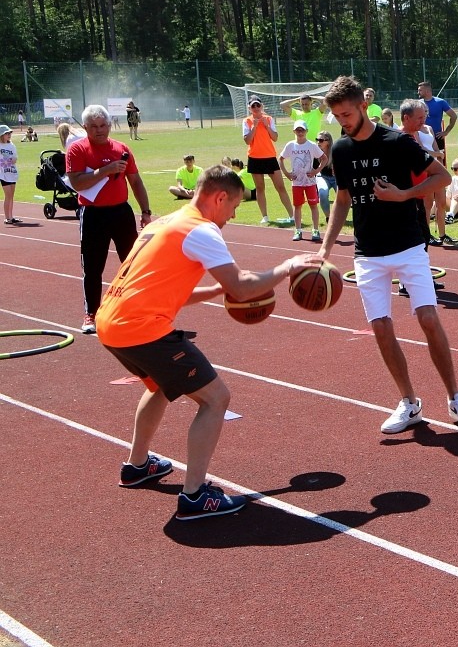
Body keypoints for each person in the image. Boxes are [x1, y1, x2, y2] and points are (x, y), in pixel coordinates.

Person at [97, 164, 320, 520]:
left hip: (112, 321)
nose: (231, 217)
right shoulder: (202, 230)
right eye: (232, 208)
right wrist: (287, 267)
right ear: (219, 197)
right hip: (142, 328)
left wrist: (217, 288)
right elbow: (245, 285)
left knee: (158, 387)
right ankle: (195, 496)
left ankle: (137, 465)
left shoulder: (163, 224)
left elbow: (165, 291)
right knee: (216, 399)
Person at [318, 75, 458, 434]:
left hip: (408, 246)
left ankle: (456, 398)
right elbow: (342, 199)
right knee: (380, 327)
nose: (343, 121)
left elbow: (440, 177)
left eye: (347, 113)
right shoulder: (342, 150)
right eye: (338, 116)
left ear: (363, 106)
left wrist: (404, 194)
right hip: (368, 253)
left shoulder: (396, 142)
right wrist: (324, 249)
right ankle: (409, 403)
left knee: (427, 317)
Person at [65, 105, 153, 334]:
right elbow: (77, 184)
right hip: (93, 214)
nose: (99, 130)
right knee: (93, 267)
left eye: (103, 125)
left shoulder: (122, 148)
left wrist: (145, 211)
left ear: (110, 125)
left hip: (121, 212)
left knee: (133, 264)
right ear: (85, 127)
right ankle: (91, 313)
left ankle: (137, 309)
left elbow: (135, 181)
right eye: (93, 126)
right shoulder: (77, 150)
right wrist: (105, 170)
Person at [398, 98, 454, 246]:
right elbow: (421, 150)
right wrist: (436, 156)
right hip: (415, 186)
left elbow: (435, 148)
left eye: (425, 115)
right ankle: (427, 234)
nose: (424, 119)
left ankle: (441, 234)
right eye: (420, 116)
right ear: (407, 117)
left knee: (440, 203)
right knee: (426, 207)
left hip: (431, 169)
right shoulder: (403, 137)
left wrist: (438, 158)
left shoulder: (428, 128)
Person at [242, 96, 295, 225]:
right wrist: (254, 127)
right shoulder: (247, 121)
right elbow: (247, 140)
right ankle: (265, 216)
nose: (256, 108)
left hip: (270, 157)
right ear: (249, 108)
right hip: (255, 158)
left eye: (257, 105)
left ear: (262, 106)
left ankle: (292, 215)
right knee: (260, 188)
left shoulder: (269, 119)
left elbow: (275, 138)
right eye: (253, 106)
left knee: (280, 187)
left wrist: (266, 126)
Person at [279, 120, 326, 242]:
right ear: (294, 131)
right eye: (298, 130)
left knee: (313, 205)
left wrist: (316, 171)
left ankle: (315, 230)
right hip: (297, 183)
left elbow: (324, 159)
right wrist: (286, 173)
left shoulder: (311, 145)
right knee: (297, 206)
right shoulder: (290, 145)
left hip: (310, 182)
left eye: (302, 130)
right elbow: (281, 159)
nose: (300, 132)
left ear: (306, 131)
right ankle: (298, 230)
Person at [417, 80, 455, 153]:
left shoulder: (440, 102)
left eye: (420, 90)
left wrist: (446, 131)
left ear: (427, 91)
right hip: (422, 136)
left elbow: (453, 116)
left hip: (437, 137)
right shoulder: (418, 104)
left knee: (440, 158)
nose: (418, 92)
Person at [314, 130, 337, 224]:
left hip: (336, 178)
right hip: (322, 176)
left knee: (343, 195)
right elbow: (314, 168)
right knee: (322, 193)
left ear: (328, 141)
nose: (318, 142)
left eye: (321, 140)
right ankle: (329, 217)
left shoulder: (335, 150)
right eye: (317, 140)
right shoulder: (315, 151)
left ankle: (338, 216)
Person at [0, 125, 18, 224]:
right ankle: (7, 217)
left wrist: (11, 160)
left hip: (12, 172)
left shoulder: (12, 145)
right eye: (7, 133)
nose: (9, 135)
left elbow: (15, 158)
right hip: (3, 173)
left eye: (9, 133)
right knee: (7, 195)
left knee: (11, 195)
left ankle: (11, 216)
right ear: (2, 135)